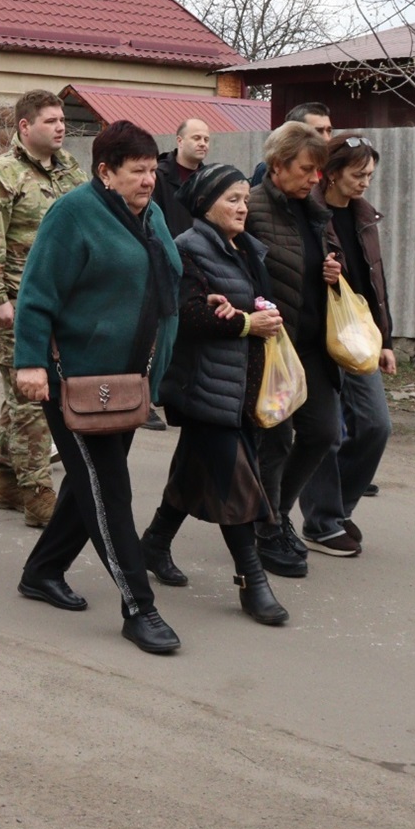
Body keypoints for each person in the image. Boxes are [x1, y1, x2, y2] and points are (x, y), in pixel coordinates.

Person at [12, 120, 182, 655]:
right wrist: (31, 363)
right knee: (110, 490)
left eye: (153, 170)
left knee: (88, 484)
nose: (149, 181)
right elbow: (37, 291)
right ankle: (139, 606)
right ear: (105, 172)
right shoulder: (73, 213)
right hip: (78, 382)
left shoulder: (148, 213)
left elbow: (165, 284)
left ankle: (42, 571)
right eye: (138, 172)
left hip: (127, 382)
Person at [137, 163, 290, 628]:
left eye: (245, 199)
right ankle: (252, 580)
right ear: (206, 205)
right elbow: (182, 316)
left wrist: (259, 312)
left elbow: (251, 302)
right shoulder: (188, 249)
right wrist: (244, 320)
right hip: (200, 385)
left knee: (195, 469)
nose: (243, 207)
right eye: (232, 199)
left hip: (237, 385)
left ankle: (155, 543)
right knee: (234, 479)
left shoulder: (241, 249)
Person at [0, 88, 85, 524]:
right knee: (32, 395)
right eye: (51, 121)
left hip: (65, 302)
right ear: (25, 126)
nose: (60, 128)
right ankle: (38, 492)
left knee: (19, 394)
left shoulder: (70, 171)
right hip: (19, 302)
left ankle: (6, 480)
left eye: (62, 121)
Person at [243, 121, 341, 578]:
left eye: (318, 171)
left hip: (312, 345)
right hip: (273, 346)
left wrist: (330, 267)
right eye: (306, 169)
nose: (313, 178)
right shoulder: (253, 206)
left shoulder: (313, 208)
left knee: (323, 432)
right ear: (277, 165)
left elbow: (320, 250)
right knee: (276, 440)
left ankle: (275, 512)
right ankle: (267, 529)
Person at [298, 134, 396, 556]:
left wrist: (386, 340)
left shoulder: (363, 217)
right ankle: (321, 522)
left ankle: (334, 508)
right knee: (326, 433)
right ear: (332, 173)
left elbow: (376, 285)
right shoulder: (306, 213)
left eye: (370, 176)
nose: (365, 184)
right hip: (316, 337)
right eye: (358, 175)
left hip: (359, 338)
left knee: (376, 425)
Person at [152, 118, 211, 239]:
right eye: (196, 138)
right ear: (180, 141)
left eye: (206, 139)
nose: (202, 143)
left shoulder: (209, 179)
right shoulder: (158, 176)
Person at [250, 104, 332, 186]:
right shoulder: (266, 171)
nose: (327, 138)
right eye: (318, 131)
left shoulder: (333, 168)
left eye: (329, 131)